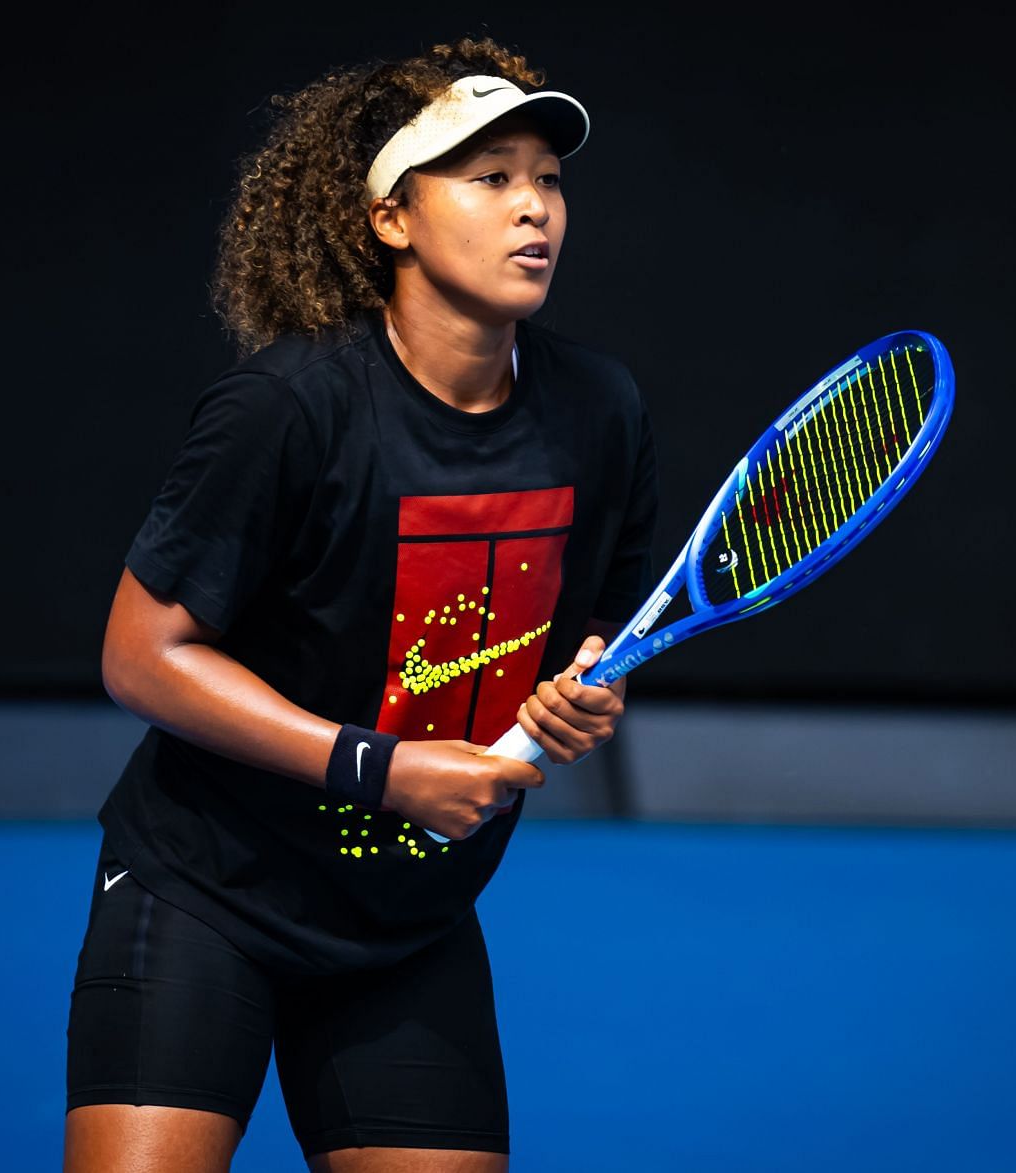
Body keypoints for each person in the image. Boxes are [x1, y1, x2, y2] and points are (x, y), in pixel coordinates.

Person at [65, 35, 658, 1173]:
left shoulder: (599, 409)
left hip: (408, 922)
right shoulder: (287, 408)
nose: (532, 207)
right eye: (489, 178)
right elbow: (141, 656)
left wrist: (588, 691)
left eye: (548, 177)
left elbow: (595, 627)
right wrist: (382, 770)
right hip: (208, 891)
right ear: (391, 218)